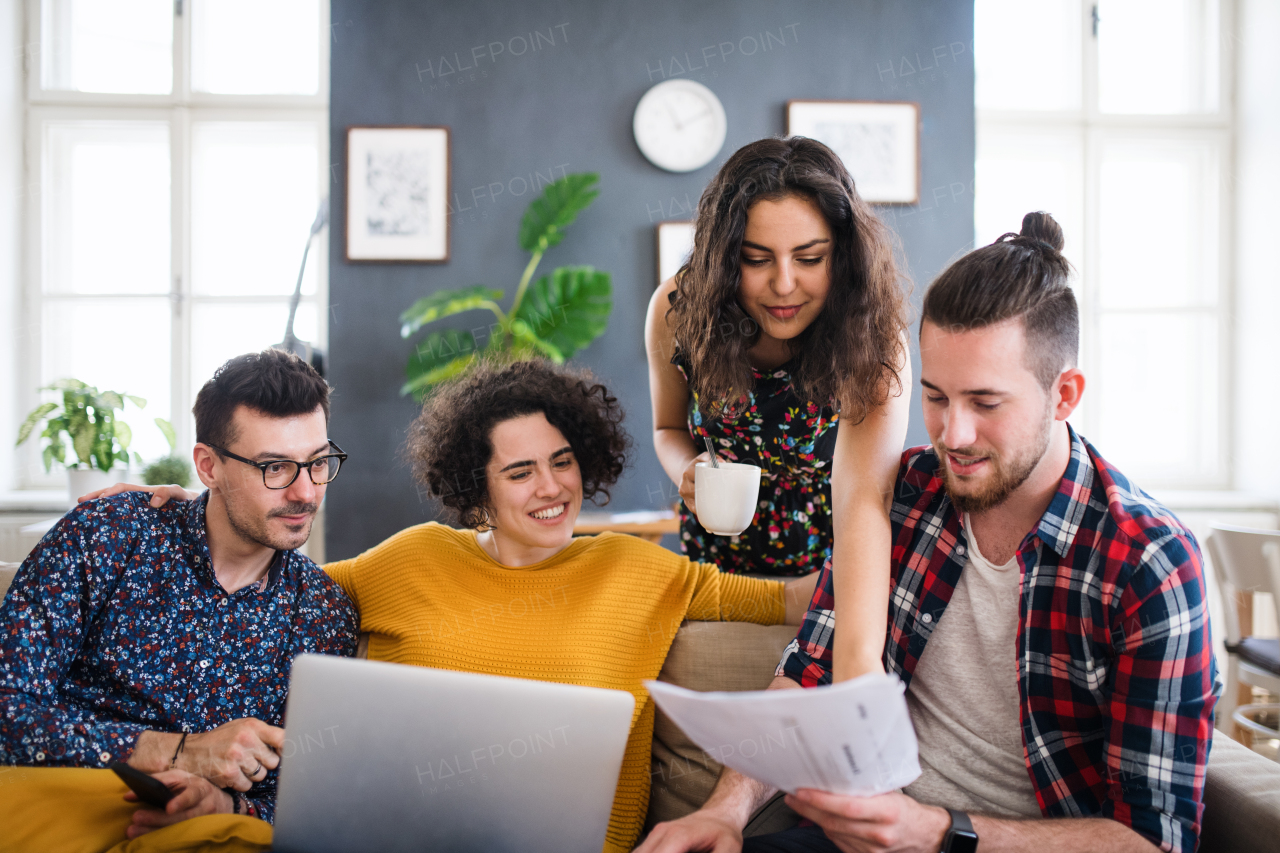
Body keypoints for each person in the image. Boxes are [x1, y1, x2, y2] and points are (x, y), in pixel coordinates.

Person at [639, 213, 1218, 853]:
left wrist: (940, 833)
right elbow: (808, 674)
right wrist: (725, 811)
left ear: (1065, 395)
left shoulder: (1148, 563)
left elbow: (1154, 841)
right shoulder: (908, 494)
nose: (953, 435)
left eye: (985, 403)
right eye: (937, 398)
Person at [100, 358, 819, 853]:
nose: (551, 487)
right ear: (478, 487)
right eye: (520, 470)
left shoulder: (643, 569)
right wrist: (187, 506)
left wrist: (882, 513)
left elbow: (804, 598)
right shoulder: (411, 558)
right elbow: (274, 580)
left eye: (563, 460)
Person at [0, 349, 358, 843]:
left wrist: (228, 802)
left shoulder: (324, 613)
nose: (306, 493)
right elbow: (8, 709)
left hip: (210, 833)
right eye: (275, 467)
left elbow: (317, 798)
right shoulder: (108, 534)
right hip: (57, 807)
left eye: (318, 462)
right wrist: (179, 751)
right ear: (208, 466)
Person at [646, 136, 911, 683]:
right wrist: (686, 472)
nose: (783, 284)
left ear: (844, 254)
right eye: (755, 259)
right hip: (718, 569)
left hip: (832, 573)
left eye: (810, 258)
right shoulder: (678, 310)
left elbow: (867, 500)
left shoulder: (874, 337)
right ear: (723, 258)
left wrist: (854, 665)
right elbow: (668, 428)